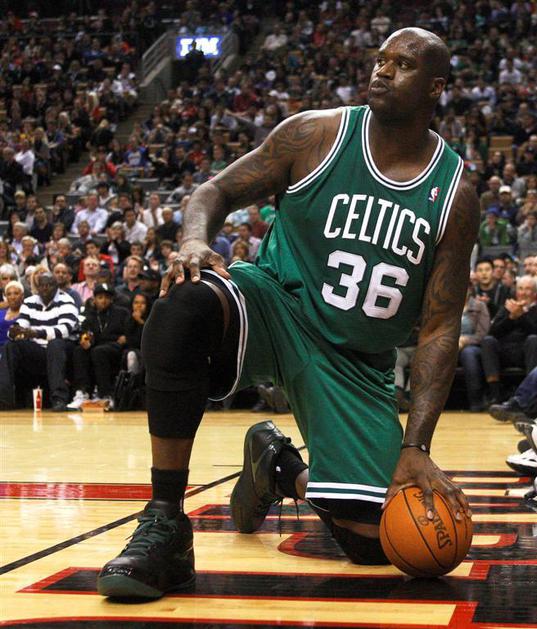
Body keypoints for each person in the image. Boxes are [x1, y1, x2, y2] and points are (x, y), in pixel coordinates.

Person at [98, 28, 476, 599]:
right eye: (380, 59)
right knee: (185, 301)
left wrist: (416, 447)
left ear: (436, 87)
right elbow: (212, 193)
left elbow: (442, 327)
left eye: (402, 64)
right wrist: (195, 241)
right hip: (277, 307)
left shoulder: (453, 194)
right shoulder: (316, 134)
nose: (382, 70)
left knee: (375, 542)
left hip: (355, 363)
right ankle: (165, 520)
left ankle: (277, 467)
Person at [0, 273, 78, 411]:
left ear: (56, 286)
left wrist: (37, 333)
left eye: (49, 285)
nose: (45, 288)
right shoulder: (30, 302)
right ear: (37, 287)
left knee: (55, 343)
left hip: (61, 350)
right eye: (42, 285)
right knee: (10, 346)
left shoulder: (67, 300)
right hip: (37, 351)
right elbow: (21, 324)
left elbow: (65, 330)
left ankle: (59, 399)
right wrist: (14, 332)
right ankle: (4, 399)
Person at [67, 283, 129, 410]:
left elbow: (129, 332)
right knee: (79, 351)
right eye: (100, 297)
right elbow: (85, 333)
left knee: (99, 352)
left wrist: (125, 338)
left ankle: (106, 395)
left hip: (115, 346)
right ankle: (82, 392)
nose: (104, 301)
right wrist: (85, 340)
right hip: (96, 346)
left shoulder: (122, 312)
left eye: (107, 297)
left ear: (112, 299)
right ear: (94, 299)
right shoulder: (88, 315)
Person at [481, 275, 537, 404]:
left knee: (533, 339)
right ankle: (495, 394)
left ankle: (530, 394)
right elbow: (493, 332)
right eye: (520, 289)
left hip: (528, 352)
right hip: (505, 352)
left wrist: (521, 316)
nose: (523, 292)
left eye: (527, 289)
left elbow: (535, 331)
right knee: (488, 341)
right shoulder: (506, 307)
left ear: (534, 293)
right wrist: (511, 317)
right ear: (516, 292)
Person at [0, 280, 24, 356]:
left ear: (22, 296)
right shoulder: (1, 313)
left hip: (16, 351)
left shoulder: (26, 313)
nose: (12, 297)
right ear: (6, 297)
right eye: (9, 294)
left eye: (16, 293)